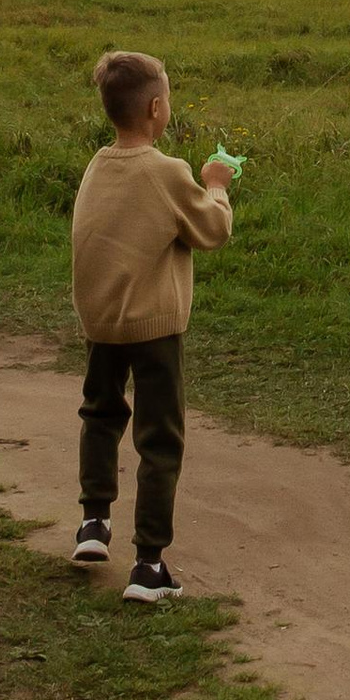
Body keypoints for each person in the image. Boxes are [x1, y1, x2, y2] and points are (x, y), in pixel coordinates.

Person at [67, 49, 236, 603]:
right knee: (160, 439)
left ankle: (94, 523)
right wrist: (216, 183)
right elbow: (211, 230)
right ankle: (148, 565)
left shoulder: (97, 164)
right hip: (155, 328)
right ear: (158, 108)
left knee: (100, 414)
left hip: (101, 324)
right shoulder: (170, 172)